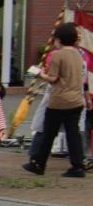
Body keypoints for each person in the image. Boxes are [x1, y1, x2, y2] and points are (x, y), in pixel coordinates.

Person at [23, 22, 89, 178]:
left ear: (59, 39)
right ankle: (77, 166)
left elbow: (53, 78)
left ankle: (38, 163)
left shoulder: (58, 55)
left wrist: (39, 74)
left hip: (59, 100)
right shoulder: (80, 55)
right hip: (76, 100)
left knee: (48, 133)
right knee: (73, 135)